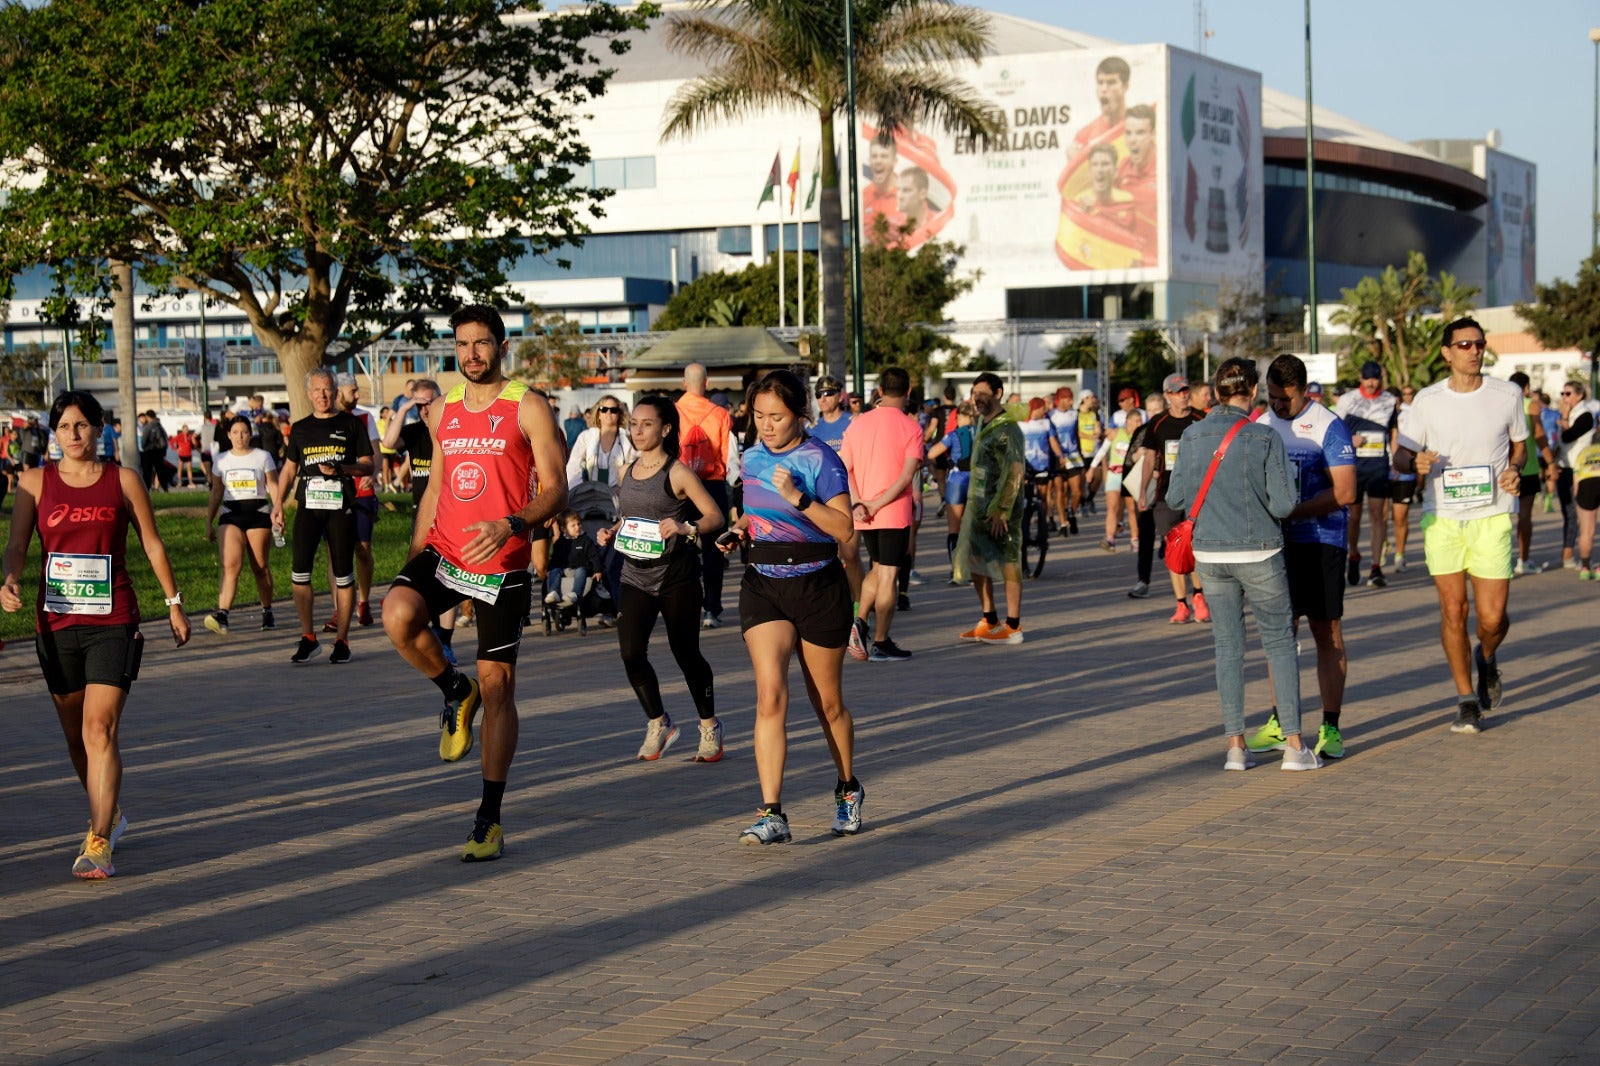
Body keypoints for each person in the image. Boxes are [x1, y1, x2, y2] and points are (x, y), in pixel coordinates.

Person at [381, 304, 568, 861]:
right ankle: (451, 689)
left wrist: (514, 523)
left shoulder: (527, 406)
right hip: (445, 550)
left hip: (502, 560)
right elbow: (436, 487)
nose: (471, 354)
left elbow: (557, 489)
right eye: (462, 344)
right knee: (397, 615)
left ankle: (489, 816)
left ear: (502, 347)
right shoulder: (442, 411)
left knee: (499, 689)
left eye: (482, 343)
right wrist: (416, 554)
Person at [1, 391, 191, 878]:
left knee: (98, 729)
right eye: (64, 427)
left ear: (100, 428)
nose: (74, 435)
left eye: (83, 425)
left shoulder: (122, 479)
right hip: (56, 623)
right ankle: (109, 811)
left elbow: (151, 542)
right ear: (53, 432)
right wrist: (12, 580)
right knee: (75, 738)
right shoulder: (35, 482)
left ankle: (100, 837)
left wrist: (174, 604)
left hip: (114, 621)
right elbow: (18, 545)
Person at [720, 369, 861, 845]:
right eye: (758, 415)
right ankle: (772, 813)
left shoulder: (821, 459)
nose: (766, 425)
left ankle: (847, 788)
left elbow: (844, 531)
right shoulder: (752, 456)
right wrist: (738, 530)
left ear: (800, 413)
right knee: (769, 695)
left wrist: (799, 498)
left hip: (819, 587)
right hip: (764, 585)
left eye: (776, 416)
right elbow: (755, 510)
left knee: (828, 705)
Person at [1167, 360, 1319, 771]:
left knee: (1228, 647)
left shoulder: (1191, 435)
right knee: (1280, 645)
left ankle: (1236, 746)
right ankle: (1293, 746)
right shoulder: (1264, 436)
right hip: (1260, 551)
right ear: (1252, 391)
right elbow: (1285, 504)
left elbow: (1176, 497)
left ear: (1215, 392)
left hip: (1211, 555)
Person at [1393, 317, 1526, 734]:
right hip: (1443, 519)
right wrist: (1414, 463)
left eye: (1479, 344)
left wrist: (1516, 468)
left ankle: (1485, 656)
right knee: (1454, 610)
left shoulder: (1507, 394)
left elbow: (1519, 444)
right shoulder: (1428, 402)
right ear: (1447, 353)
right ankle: (1466, 700)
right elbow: (1400, 456)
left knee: (1492, 617)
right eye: (1464, 345)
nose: (1474, 351)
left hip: (1493, 514)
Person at [599, 396, 725, 762]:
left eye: (646, 424)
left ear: (665, 429)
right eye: (633, 423)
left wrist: (687, 527)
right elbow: (632, 518)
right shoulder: (626, 472)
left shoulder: (678, 472)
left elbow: (715, 517)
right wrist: (612, 531)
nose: (637, 431)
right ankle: (659, 722)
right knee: (630, 652)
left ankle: (709, 725)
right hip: (635, 574)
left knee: (686, 654)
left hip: (677, 577)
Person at [1249, 354, 1357, 760]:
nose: (1278, 405)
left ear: (1304, 390)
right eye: (1272, 397)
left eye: (1285, 399)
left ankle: (1330, 726)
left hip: (1322, 540)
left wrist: (1293, 509)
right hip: (1276, 546)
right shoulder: (1261, 425)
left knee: (1326, 635)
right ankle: (1280, 722)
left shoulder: (1328, 425)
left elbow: (1346, 492)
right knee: (1280, 634)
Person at [275, 368, 373, 665]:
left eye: (328, 389)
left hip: (339, 508)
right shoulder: (301, 428)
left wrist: (343, 469)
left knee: (343, 574)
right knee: (299, 572)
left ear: (336, 392)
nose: (322, 395)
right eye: (317, 390)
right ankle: (308, 637)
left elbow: (368, 465)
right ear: (308, 394)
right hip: (308, 506)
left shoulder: (351, 424)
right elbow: (290, 469)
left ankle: (342, 640)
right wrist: (277, 503)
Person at [839, 367, 924, 663]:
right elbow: (906, 476)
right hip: (893, 511)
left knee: (876, 569)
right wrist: (877, 503)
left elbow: (843, 467)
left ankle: (859, 622)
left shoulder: (857, 424)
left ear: (879, 391)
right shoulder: (911, 427)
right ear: (908, 391)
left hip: (863, 511)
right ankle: (881, 641)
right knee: (888, 575)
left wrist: (859, 501)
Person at [383, 379, 460, 662]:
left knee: (447, 574)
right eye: (420, 403)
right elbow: (389, 443)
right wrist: (404, 410)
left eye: (431, 401)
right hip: (421, 515)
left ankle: (445, 640)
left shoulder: (452, 431)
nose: (426, 408)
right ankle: (425, 629)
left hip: (449, 515)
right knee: (418, 571)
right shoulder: (414, 432)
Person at [954, 372, 1026, 644]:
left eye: (983, 394)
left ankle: (1014, 625)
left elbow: (1015, 470)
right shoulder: (983, 424)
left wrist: (1002, 509)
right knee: (975, 560)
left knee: (1009, 561)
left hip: (1001, 511)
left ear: (998, 394)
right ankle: (990, 618)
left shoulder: (1008, 428)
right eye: (975, 394)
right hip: (980, 506)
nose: (978, 399)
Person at [1138, 374, 1208, 623]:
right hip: (1167, 495)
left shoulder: (1201, 419)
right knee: (1174, 549)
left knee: (1197, 548)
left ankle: (1199, 597)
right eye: (1178, 391)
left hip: (1197, 495)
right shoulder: (1158, 423)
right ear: (1167, 394)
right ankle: (1181, 604)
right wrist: (1143, 491)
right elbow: (1148, 459)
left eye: (1186, 390)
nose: (1184, 395)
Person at [204, 416, 283, 634]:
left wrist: (278, 512)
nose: (240, 437)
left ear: (251, 434)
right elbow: (217, 492)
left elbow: (274, 486)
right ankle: (222, 615)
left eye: (244, 432)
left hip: (258, 513)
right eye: (235, 432)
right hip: (231, 514)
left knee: (260, 567)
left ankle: (267, 611)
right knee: (231, 565)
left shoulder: (263, 457)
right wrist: (208, 521)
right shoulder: (221, 460)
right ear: (228, 435)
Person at [676, 363, 738, 629]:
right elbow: (727, 456)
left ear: (683, 383)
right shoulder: (721, 414)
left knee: (682, 546)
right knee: (714, 549)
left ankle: (684, 604)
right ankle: (711, 608)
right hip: (712, 485)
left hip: (681, 485)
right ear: (707, 383)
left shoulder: (673, 411)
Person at [1334, 360, 1398, 588]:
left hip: (1378, 465)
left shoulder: (1390, 401)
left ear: (1381, 379)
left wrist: (1396, 462)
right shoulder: (1348, 400)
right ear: (1360, 378)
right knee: (1354, 517)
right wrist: (1349, 441)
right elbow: (1335, 430)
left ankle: (1375, 567)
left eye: (1375, 378)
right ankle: (1353, 555)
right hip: (1353, 465)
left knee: (1378, 516)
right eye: (1367, 378)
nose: (1371, 383)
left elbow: (1394, 432)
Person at [330, 372, 383, 628]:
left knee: (362, 550)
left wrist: (372, 474)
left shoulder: (365, 417)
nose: (358, 395)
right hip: (332, 493)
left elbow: (376, 454)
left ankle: (363, 601)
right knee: (335, 552)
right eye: (353, 390)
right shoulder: (325, 419)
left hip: (361, 492)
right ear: (338, 392)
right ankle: (338, 608)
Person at [811, 375, 863, 599]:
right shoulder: (812, 430)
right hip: (824, 500)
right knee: (829, 556)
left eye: (828, 393)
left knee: (850, 554)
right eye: (819, 395)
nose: (823, 398)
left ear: (840, 395)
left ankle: (860, 607)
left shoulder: (853, 424)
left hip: (851, 495)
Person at [1506, 372, 1553, 575]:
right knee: (1524, 516)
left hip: (1504, 468)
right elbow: (1540, 436)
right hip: (1528, 467)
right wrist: (1550, 462)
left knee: (1501, 517)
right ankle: (1523, 561)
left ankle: (1501, 561)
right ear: (1525, 388)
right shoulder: (1530, 405)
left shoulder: (1502, 404)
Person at [925, 401, 976, 579]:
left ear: (960, 417)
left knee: (954, 529)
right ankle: (973, 568)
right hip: (976, 482)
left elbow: (931, 454)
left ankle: (956, 570)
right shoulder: (980, 434)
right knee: (973, 527)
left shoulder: (953, 435)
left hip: (956, 481)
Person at [1555, 381, 1599, 572]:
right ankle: (1572, 556)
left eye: (1568, 393)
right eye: (1562, 393)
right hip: (1563, 468)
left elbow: (1567, 437)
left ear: (1579, 395)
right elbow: (1560, 444)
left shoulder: (1585, 415)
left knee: (1579, 517)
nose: (1564, 398)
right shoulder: (1569, 414)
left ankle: (1574, 557)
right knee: (1568, 513)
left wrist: (1564, 417)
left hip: (1581, 471)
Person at [1124, 392, 1165, 596]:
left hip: (1168, 489)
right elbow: (1129, 460)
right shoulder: (1142, 430)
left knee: (1172, 532)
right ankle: (1143, 580)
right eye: (1149, 410)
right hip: (1147, 489)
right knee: (1146, 534)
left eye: (1157, 409)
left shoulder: (1168, 427)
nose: (1153, 413)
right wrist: (1137, 454)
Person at [1095, 406, 1141, 552]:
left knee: (1131, 509)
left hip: (1130, 476)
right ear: (1128, 421)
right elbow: (1102, 451)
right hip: (1115, 474)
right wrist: (1091, 468)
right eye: (1136, 421)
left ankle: (1134, 540)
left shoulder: (1141, 437)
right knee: (1112, 508)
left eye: (1140, 421)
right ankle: (1110, 539)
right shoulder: (1116, 433)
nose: (1139, 424)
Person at [566, 394, 635, 490]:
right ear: (598, 414)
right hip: (589, 497)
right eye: (604, 409)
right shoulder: (586, 437)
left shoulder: (627, 438)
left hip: (619, 498)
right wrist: (583, 491)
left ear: (619, 414)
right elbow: (572, 470)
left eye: (613, 410)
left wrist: (623, 490)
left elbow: (636, 469)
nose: (609, 413)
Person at [1388, 384, 1421, 572]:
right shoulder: (1377, 418)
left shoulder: (1408, 416)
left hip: (1404, 474)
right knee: (1381, 517)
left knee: (1400, 517)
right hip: (1381, 471)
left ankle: (1400, 555)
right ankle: (1382, 546)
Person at [1070, 56, 1130, 156]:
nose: (1104, 89)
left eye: (1111, 82)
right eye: (1100, 82)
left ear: (1125, 86)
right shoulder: (1084, 136)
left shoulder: (1139, 127)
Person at [544, 510, 603, 607]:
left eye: (579, 524)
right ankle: (554, 592)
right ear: (563, 528)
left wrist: (597, 570)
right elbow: (555, 557)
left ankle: (575, 594)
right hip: (564, 568)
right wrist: (550, 569)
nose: (577, 527)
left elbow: (594, 556)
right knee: (555, 570)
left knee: (581, 571)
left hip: (580, 568)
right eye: (573, 525)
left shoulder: (585, 540)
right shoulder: (560, 542)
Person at [1047, 387, 1085, 535]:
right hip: (1057, 457)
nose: (1071, 402)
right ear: (1061, 399)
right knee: (1060, 491)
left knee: (1077, 492)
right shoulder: (1051, 415)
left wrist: (1080, 454)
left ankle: (1072, 513)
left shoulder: (1075, 414)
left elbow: (1076, 434)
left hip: (1073, 455)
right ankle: (1063, 523)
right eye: (1068, 399)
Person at [862, 133, 900, 238]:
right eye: (874, 156)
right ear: (869, 161)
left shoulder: (907, 193)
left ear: (894, 161)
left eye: (884, 156)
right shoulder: (863, 197)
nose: (878, 161)